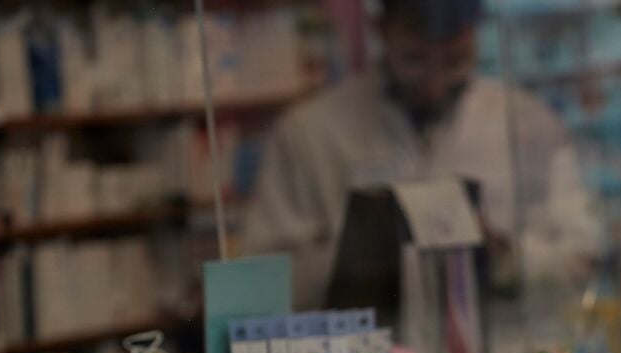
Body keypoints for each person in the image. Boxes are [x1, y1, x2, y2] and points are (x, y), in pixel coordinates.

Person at [244, 0, 600, 333]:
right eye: (414, 60)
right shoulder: (308, 134)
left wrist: (503, 259)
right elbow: (263, 285)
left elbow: (583, 254)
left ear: (476, 34)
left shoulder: (527, 122)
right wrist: (365, 255)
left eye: (455, 61)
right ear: (380, 30)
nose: (435, 87)